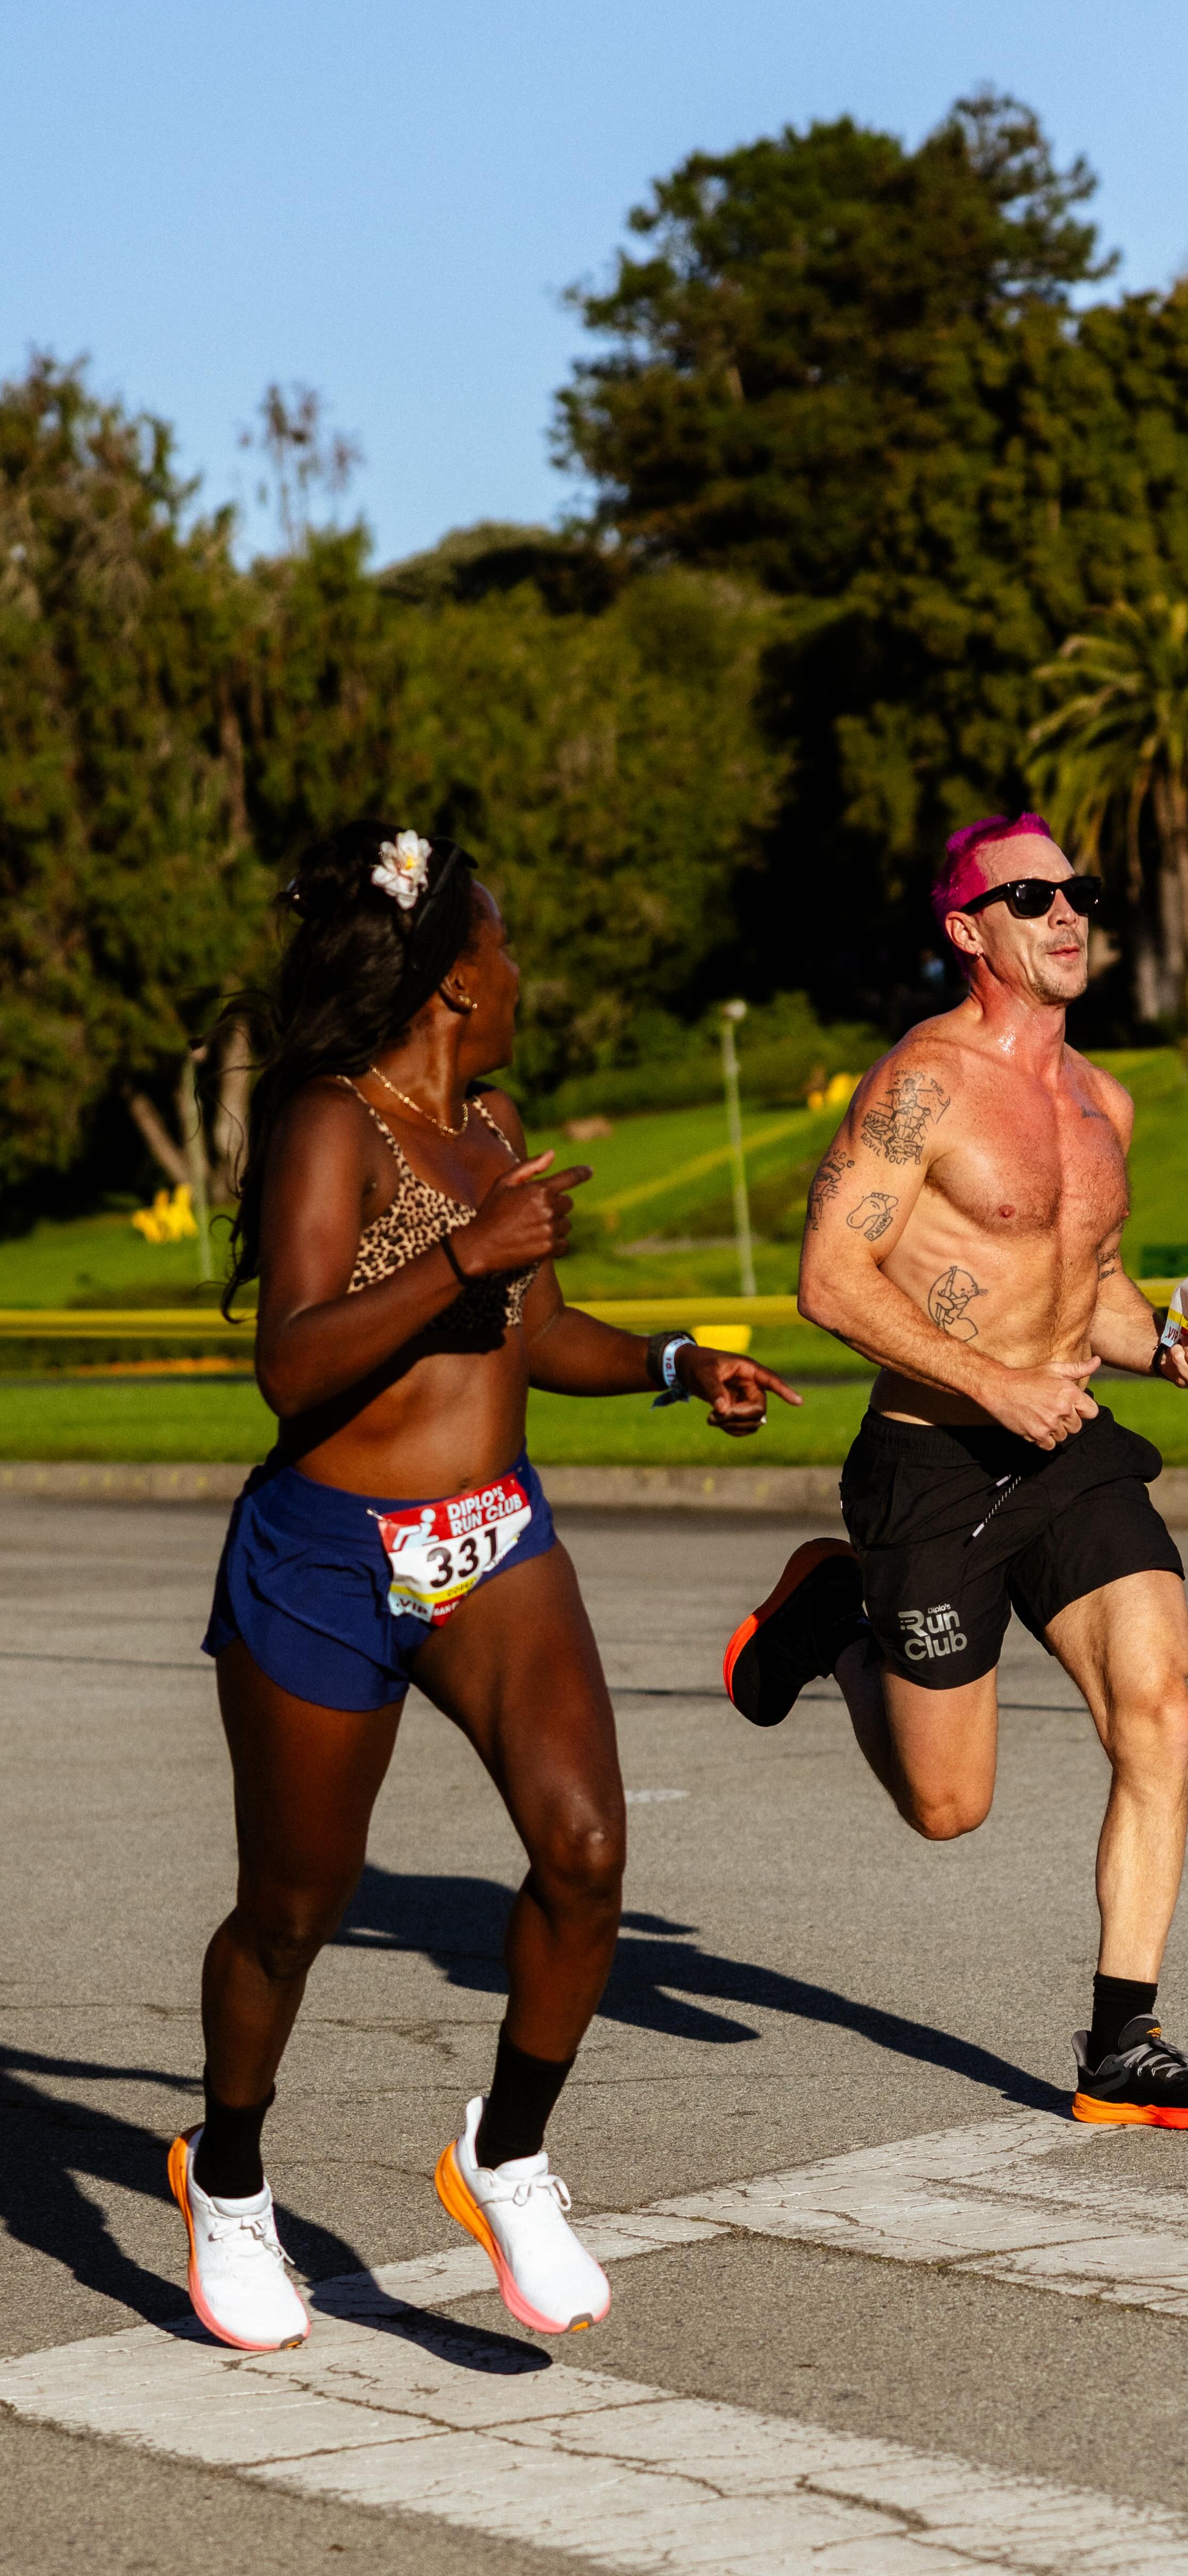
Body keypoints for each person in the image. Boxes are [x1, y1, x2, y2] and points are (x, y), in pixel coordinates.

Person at [172, 819, 797, 2353]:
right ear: (456, 979)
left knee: (584, 1851)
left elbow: (539, 1332)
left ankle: (504, 2155)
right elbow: (290, 1362)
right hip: (326, 1558)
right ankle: (229, 2176)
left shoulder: (497, 1125)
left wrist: (673, 1363)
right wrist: (466, 1255)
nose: (521, 975)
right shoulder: (330, 1123)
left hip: (491, 1539)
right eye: (505, 950)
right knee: (292, 1910)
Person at [724, 813, 1188, 2130]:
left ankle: (1120, 2045)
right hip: (932, 1463)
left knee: (1159, 1708)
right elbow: (826, 1280)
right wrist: (988, 1381)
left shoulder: (1099, 1100)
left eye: (1078, 891)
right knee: (947, 1806)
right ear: (967, 929)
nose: (1065, 914)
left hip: (1067, 1452)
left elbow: (1093, 1287)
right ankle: (834, 1619)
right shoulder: (922, 1084)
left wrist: (1165, 1344)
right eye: (1030, 898)